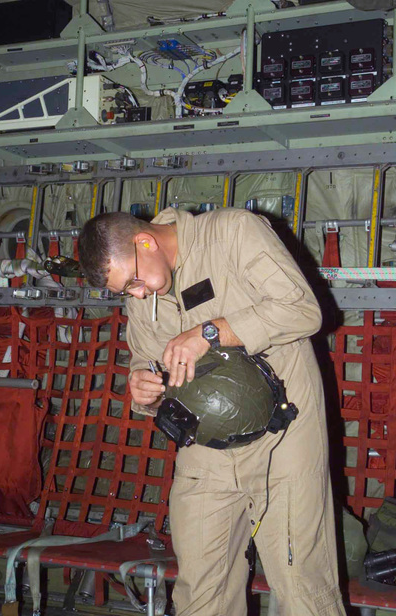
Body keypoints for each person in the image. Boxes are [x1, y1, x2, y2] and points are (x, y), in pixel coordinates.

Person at [78, 206, 347, 616]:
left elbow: (303, 310)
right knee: (202, 590)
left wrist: (210, 332)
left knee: (301, 585)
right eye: (125, 292)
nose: (136, 294)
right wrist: (144, 389)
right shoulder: (144, 294)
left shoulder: (234, 232)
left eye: (133, 281)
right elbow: (145, 360)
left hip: (283, 435)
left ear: (145, 242)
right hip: (206, 444)